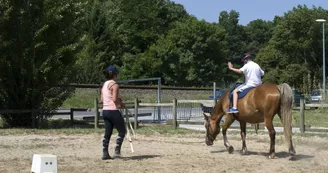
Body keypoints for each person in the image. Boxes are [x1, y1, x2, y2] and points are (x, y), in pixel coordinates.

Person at [100, 65, 126, 160]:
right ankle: (117, 152)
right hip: (113, 111)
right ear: (115, 75)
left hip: (105, 111)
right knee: (122, 131)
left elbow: (102, 100)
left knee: (108, 133)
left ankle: (105, 152)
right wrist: (121, 103)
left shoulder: (104, 85)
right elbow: (114, 100)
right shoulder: (114, 85)